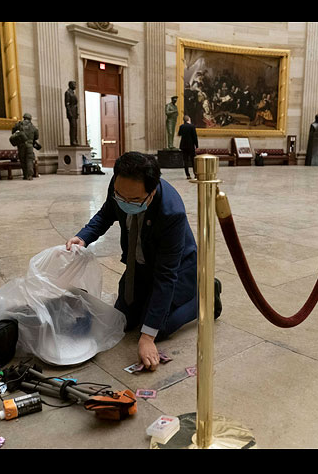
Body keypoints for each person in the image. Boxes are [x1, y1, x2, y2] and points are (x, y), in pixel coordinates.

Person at [65, 152, 221, 371]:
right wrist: (83, 237)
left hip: (177, 268)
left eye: (135, 200)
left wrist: (148, 338)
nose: (126, 202)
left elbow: (166, 276)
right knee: (123, 318)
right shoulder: (122, 183)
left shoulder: (171, 213)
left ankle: (207, 295)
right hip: (140, 264)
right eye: (121, 197)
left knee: (160, 327)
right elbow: (106, 213)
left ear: (153, 190)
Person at [11, 113, 40, 180]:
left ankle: (25, 175)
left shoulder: (19, 124)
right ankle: (30, 176)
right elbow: (36, 136)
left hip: (21, 145)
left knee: (23, 160)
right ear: (30, 119)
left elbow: (13, 131)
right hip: (29, 146)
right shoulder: (33, 127)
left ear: (24, 117)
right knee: (29, 160)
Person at [178, 115, 198, 179]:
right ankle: (195, 174)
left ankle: (188, 175)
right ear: (189, 119)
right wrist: (196, 145)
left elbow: (179, 134)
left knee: (185, 161)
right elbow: (195, 136)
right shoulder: (192, 126)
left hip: (183, 145)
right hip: (191, 145)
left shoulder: (181, 126)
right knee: (193, 161)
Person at [65, 81, 79, 146]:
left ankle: (75, 139)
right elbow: (67, 104)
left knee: (75, 127)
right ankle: (72, 141)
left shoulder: (73, 93)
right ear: (70, 85)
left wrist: (77, 112)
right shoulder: (68, 93)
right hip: (71, 112)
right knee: (72, 127)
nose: (75, 86)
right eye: (74, 84)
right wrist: (69, 113)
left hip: (74, 112)